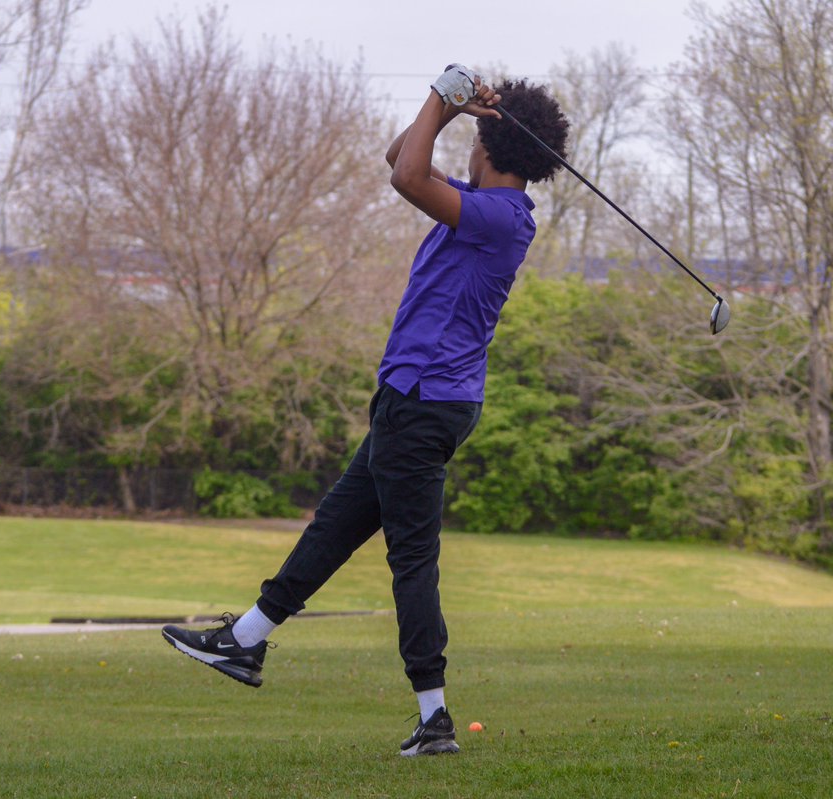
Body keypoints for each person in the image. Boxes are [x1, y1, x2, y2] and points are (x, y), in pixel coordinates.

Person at [161, 64, 569, 757]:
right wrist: (450, 110)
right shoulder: (481, 204)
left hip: (425, 399)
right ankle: (245, 641)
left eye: (479, 135)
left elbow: (406, 178)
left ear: (495, 149)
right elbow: (400, 158)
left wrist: (448, 97)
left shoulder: (500, 217)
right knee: (339, 522)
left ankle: (434, 716)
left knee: (411, 557)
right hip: (415, 398)